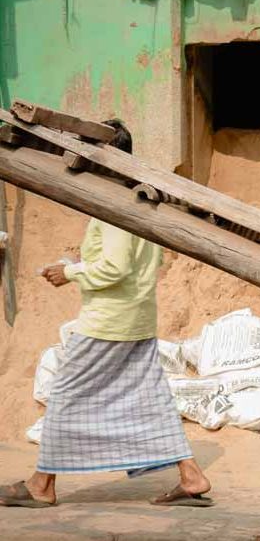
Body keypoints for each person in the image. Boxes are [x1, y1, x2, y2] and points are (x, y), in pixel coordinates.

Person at [1, 124, 213, 509]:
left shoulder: (111, 206)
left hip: (108, 322)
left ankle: (41, 485)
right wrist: (78, 266)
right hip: (137, 318)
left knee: (64, 393)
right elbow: (130, 262)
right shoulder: (140, 200)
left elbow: (115, 267)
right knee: (151, 399)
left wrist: (71, 273)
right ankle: (191, 476)